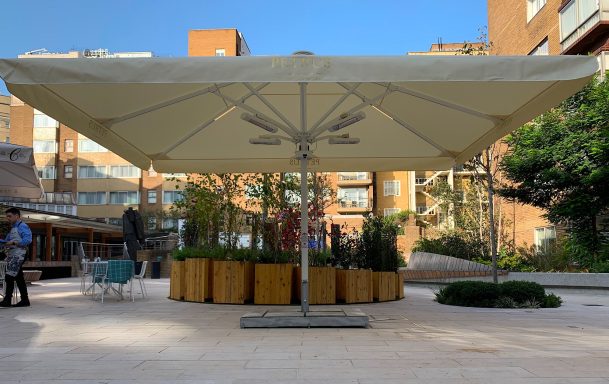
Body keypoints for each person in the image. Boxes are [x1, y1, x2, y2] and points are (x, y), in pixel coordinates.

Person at [0, 207, 32, 308]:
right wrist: (4, 243)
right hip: (14, 254)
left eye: (10, 216)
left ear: (17, 216)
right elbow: (7, 241)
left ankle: (7, 300)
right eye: (7, 217)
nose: (8, 218)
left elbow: (28, 240)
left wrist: (13, 242)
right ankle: (25, 300)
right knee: (19, 278)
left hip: (20, 254)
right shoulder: (13, 228)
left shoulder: (22, 226)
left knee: (9, 277)